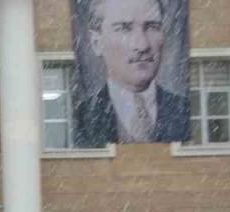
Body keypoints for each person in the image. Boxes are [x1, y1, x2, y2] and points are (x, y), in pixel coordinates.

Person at [76, 0, 190, 145]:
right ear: (97, 43)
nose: (142, 45)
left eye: (152, 27)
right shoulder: (80, 117)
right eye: (124, 29)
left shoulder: (184, 111)